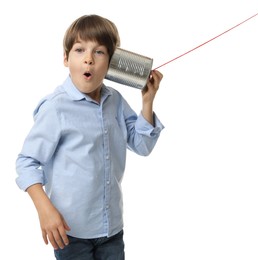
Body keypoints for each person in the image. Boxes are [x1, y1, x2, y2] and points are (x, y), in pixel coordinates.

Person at [15, 14, 164, 260]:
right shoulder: (56, 107)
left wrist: (147, 102)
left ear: (112, 63)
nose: (88, 59)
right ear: (65, 58)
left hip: (111, 229)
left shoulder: (114, 100)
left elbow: (142, 145)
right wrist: (44, 209)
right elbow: (27, 161)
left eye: (99, 52)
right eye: (79, 50)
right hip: (70, 232)